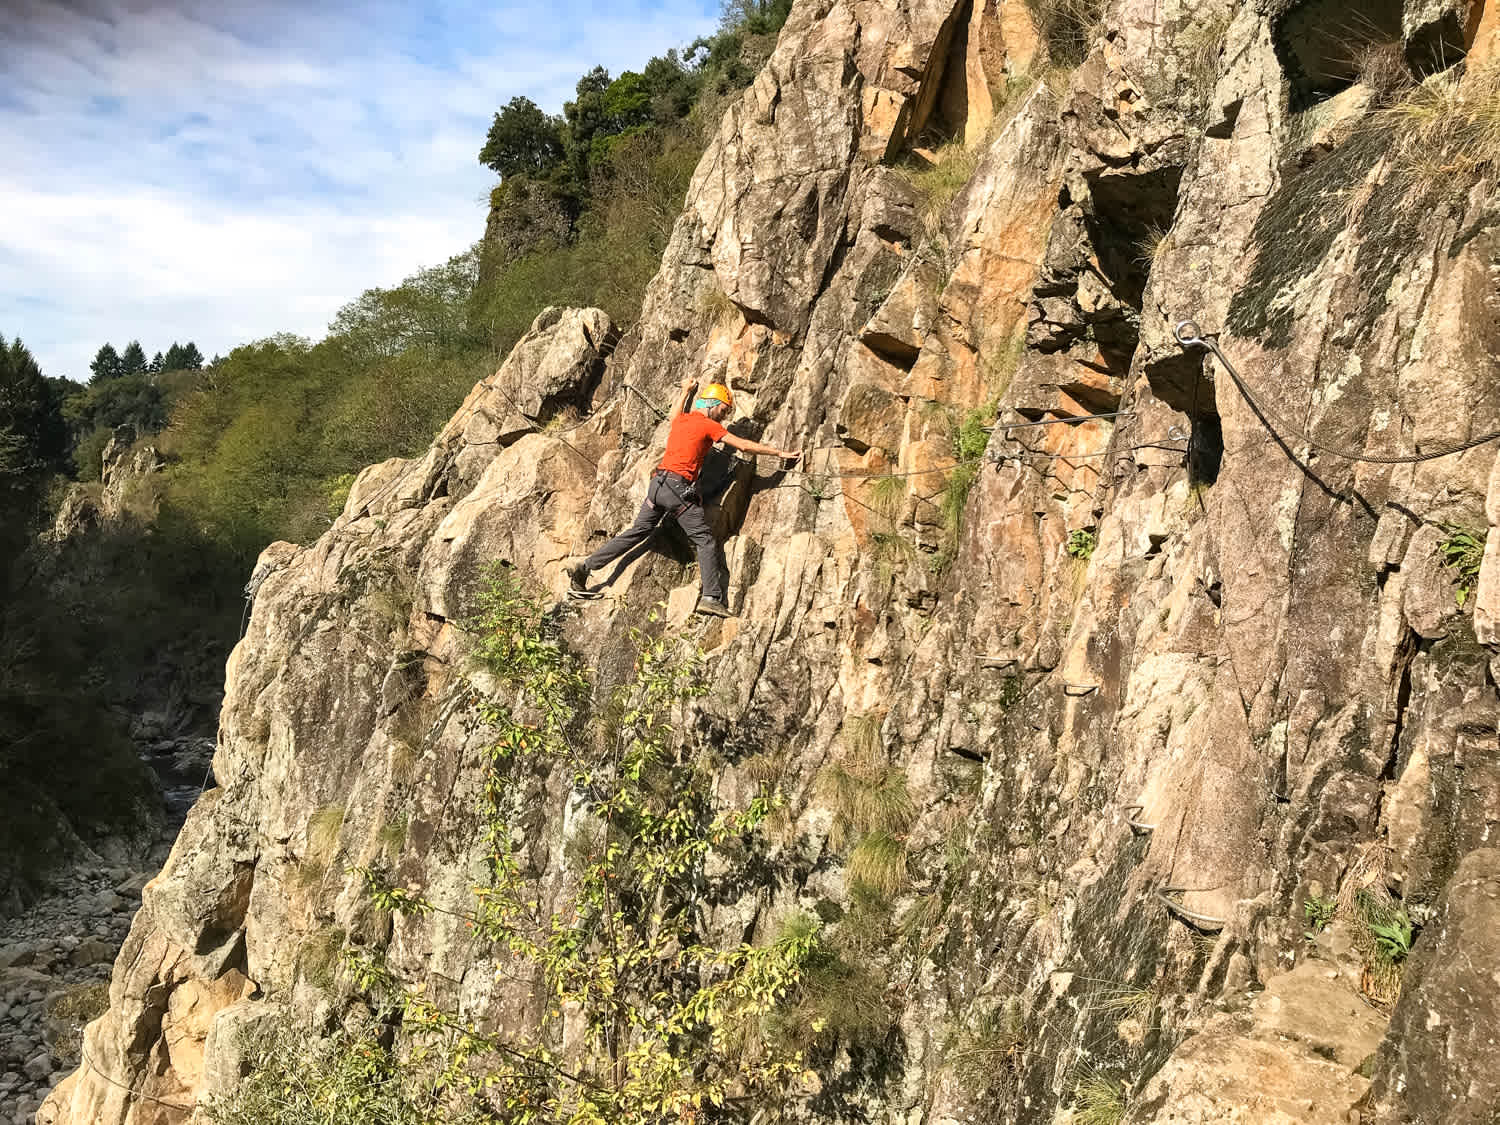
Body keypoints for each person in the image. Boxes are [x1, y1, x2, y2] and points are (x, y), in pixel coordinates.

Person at [567, 374, 801, 616]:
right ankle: (711, 597)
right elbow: (743, 445)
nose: (724, 415)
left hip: (657, 486)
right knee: (705, 540)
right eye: (723, 409)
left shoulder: (683, 420)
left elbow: (674, 414)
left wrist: (686, 390)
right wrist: (779, 453)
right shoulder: (709, 426)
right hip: (676, 490)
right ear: (711, 404)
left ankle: (584, 568)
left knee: (637, 532)